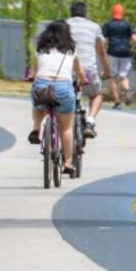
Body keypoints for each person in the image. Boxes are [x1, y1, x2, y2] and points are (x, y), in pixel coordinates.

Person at [27, 20, 89, 177]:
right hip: (63, 87)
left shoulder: (40, 49)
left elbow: (34, 72)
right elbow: (80, 72)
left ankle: (36, 128)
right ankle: (67, 163)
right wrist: (83, 80)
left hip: (42, 85)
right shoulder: (71, 50)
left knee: (38, 103)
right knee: (66, 128)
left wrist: (32, 77)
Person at [66, 1, 112, 138]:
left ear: (71, 12)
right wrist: (107, 71)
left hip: (66, 69)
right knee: (96, 94)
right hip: (88, 71)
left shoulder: (63, 25)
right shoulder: (94, 27)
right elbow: (102, 53)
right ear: (86, 13)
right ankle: (90, 121)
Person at [102, 3, 136, 108]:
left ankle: (117, 101)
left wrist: (104, 49)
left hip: (112, 52)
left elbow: (104, 40)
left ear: (112, 13)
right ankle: (127, 90)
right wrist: (130, 46)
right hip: (126, 52)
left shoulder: (108, 24)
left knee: (112, 76)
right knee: (123, 76)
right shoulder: (127, 24)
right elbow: (135, 39)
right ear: (122, 13)